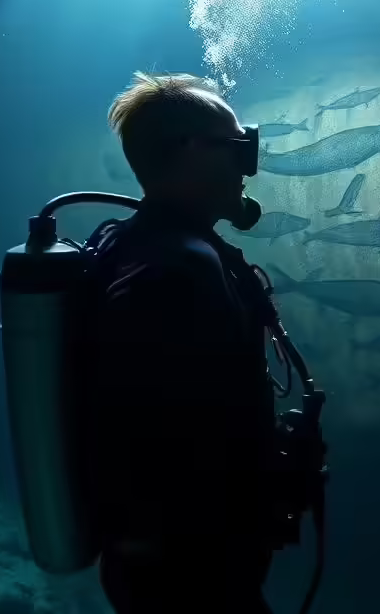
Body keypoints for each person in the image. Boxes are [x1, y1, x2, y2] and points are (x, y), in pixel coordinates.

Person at [83, 72, 278, 614]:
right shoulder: (178, 267)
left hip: (172, 567)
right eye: (239, 147)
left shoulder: (140, 244)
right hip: (188, 578)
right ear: (191, 151)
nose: (247, 165)